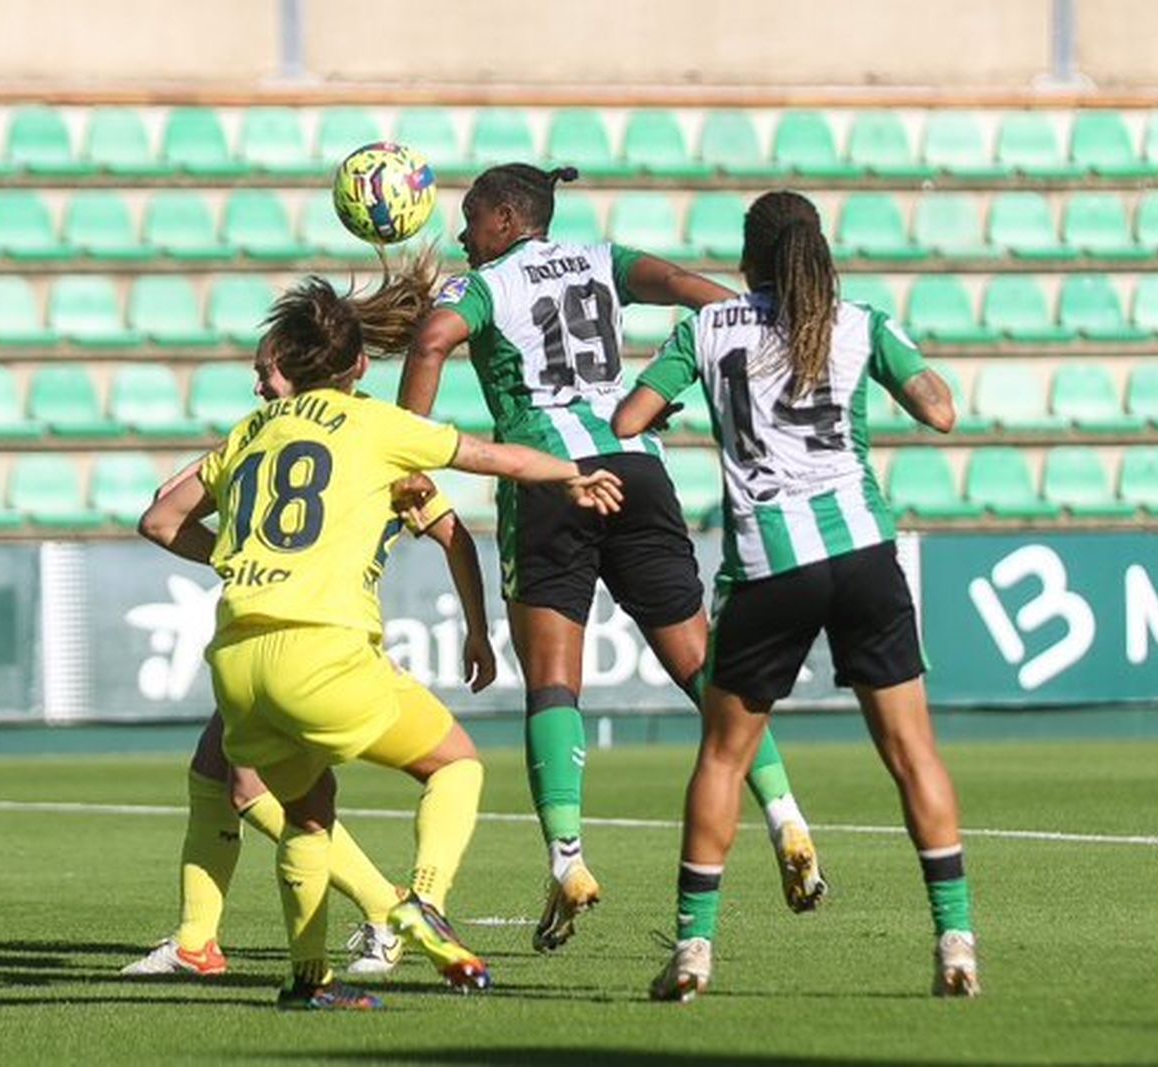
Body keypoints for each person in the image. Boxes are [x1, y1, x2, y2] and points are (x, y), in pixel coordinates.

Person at [138, 255, 624, 1011]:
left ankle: (308, 981)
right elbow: (492, 457)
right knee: (456, 764)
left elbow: (160, 519)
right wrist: (570, 475)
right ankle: (421, 899)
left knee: (305, 812)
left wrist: (239, 559)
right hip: (322, 649)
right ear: (359, 362)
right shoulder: (376, 426)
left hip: (236, 655)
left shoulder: (250, 430)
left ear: (289, 366)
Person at [400, 163, 825, 953]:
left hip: (553, 479)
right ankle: (787, 818)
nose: (461, 235)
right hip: (637, 468)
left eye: (468, 218)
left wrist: (406, 453)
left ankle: (567, 861)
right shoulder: (601, 259)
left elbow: (430, 340)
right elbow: (685, 285)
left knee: (555, 680)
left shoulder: (485, 284)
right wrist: (753, 332)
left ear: (504, 215)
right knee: (705, 665)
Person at [612, 190, 978, 1001]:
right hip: (863, 554)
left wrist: (682, 403)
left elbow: (629, 417)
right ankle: (955, 943)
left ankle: (694, 951)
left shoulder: (705, 329)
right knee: (913, 753)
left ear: (748, 259)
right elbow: (941, 411)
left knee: (722, 754)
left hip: (769, 566)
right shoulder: (859, 323)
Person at [125, 350, 496, 979]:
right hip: (282, 629)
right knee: (215, 773)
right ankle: (199, 942)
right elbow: (164, 508)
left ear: (301, 369)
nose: (257, 382)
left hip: (317, 635)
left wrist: (478, 629)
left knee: (252, 788)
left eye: (266, 369)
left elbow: (449, 527)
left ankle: (385, 911)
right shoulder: (281, 435)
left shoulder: (365, 435)